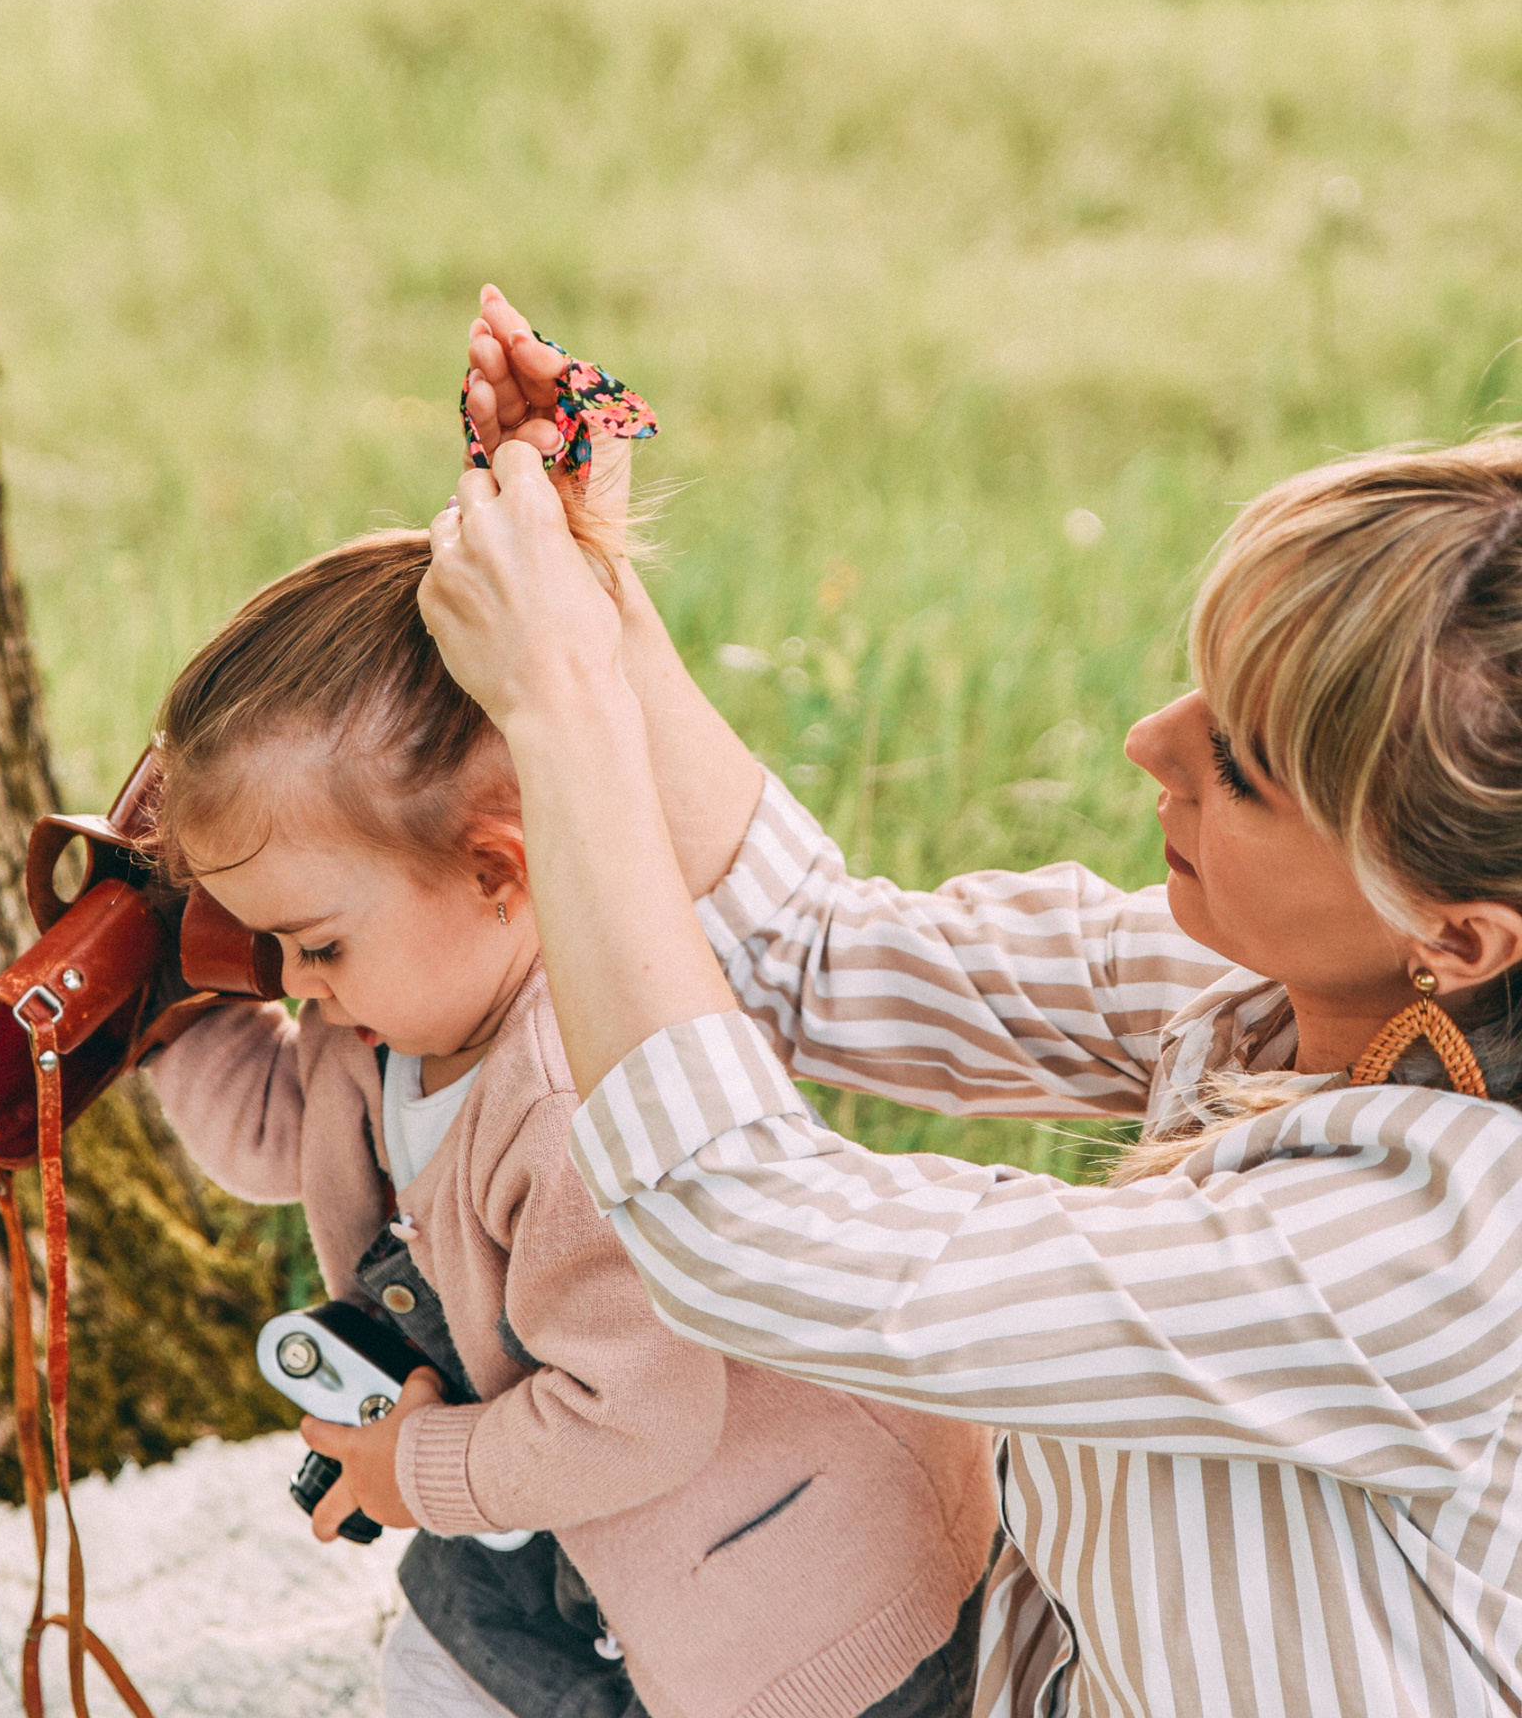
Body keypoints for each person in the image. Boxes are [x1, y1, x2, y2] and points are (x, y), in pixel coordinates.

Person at [421, 287, 1522, 1715]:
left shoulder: (1442, 1258)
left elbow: (746, 1229)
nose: (1150, 742)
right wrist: (598, 589)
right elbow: (812, 950)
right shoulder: (1281, 994)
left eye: (1239, 766)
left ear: (1455, 934)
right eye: (1199, 687)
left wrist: (559, 710)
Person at [140, 522, 1000, 1718]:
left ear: (499, 871)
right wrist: (162, 1013)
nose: (289, 983)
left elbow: (639, 1414)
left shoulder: (581, 1097)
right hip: (541, 1519)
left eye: (314, 944)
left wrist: (416, 1471)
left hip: (774, 1580)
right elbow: (286, 1132)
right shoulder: (383, 1015)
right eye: (266, 943)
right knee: (438, 1670)